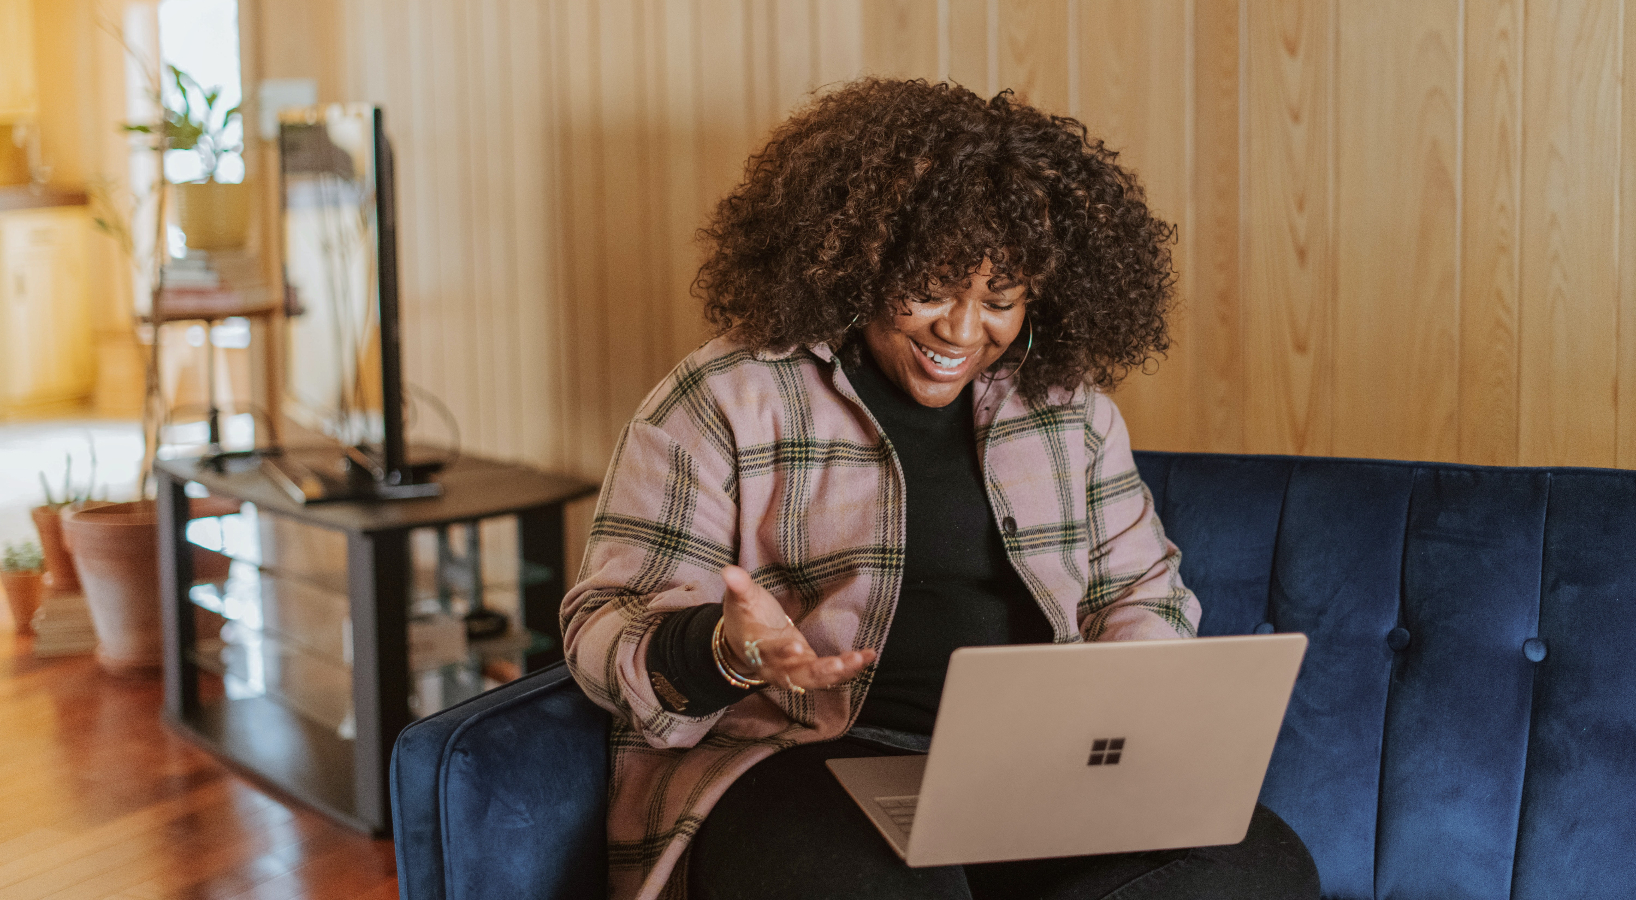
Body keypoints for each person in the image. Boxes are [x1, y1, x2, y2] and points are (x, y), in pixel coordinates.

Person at [561, 77, 1319, 900]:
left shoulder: (1073, 412)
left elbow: (1142, 593)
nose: (961, 332)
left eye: (999, 300)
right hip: (801, 762)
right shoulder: (726, 398)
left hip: (1032, 771)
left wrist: (1119, 709)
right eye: (928, 290)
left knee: (1257, 869)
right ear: (860, 262)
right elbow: (602, 627)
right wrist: (724, 648)